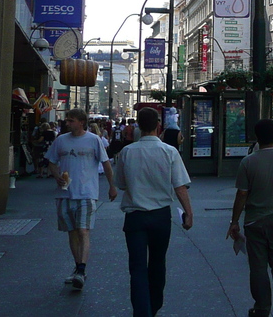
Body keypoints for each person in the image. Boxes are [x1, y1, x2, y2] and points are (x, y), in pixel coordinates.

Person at [114, 107, 193, 317]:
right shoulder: (170, 151)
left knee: (137, 268)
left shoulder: (127, 152)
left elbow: (121, 184)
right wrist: (188, 213)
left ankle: (142, 311)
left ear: (138, 125)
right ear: (158, 126)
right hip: (160, 216)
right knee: (158, 263)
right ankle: (155, 304)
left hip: (135, 216)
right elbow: (180, 186)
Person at [228, 119, 273, 317]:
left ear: (256, 138)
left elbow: (242, 194)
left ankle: (262, 307)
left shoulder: (248, 161)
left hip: (255, 221)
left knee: (258, 266)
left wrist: (234, 221)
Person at [47, 108, 118, 290]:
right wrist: (56, 176)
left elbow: (106, 163)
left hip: (87, 193)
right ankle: (79, 268)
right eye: (67, 120)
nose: (67, 123)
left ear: (81, 122)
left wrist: (112, 185)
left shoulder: (93, 140)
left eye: (71, 120)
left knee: (83, 231)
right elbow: (51, 162)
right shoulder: (60, 140)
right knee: (72, 232)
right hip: (65, 193)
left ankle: (81, 268)